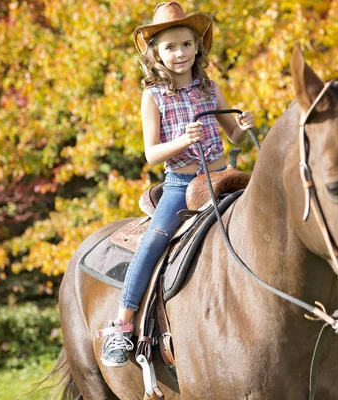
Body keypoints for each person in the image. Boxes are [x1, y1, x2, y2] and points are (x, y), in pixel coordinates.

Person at [97, 1, 255, 367]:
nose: (180, 53)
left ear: (197, 47)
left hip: (223, 178)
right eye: (170, 47)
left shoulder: (210, 89)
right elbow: (152, 154)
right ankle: (121, 324)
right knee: (155, 240)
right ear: (157, 53)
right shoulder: (152, 97)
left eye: (186, 44)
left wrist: (243, 127)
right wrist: (183, 141)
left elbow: (235, 139)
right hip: (181, 184)